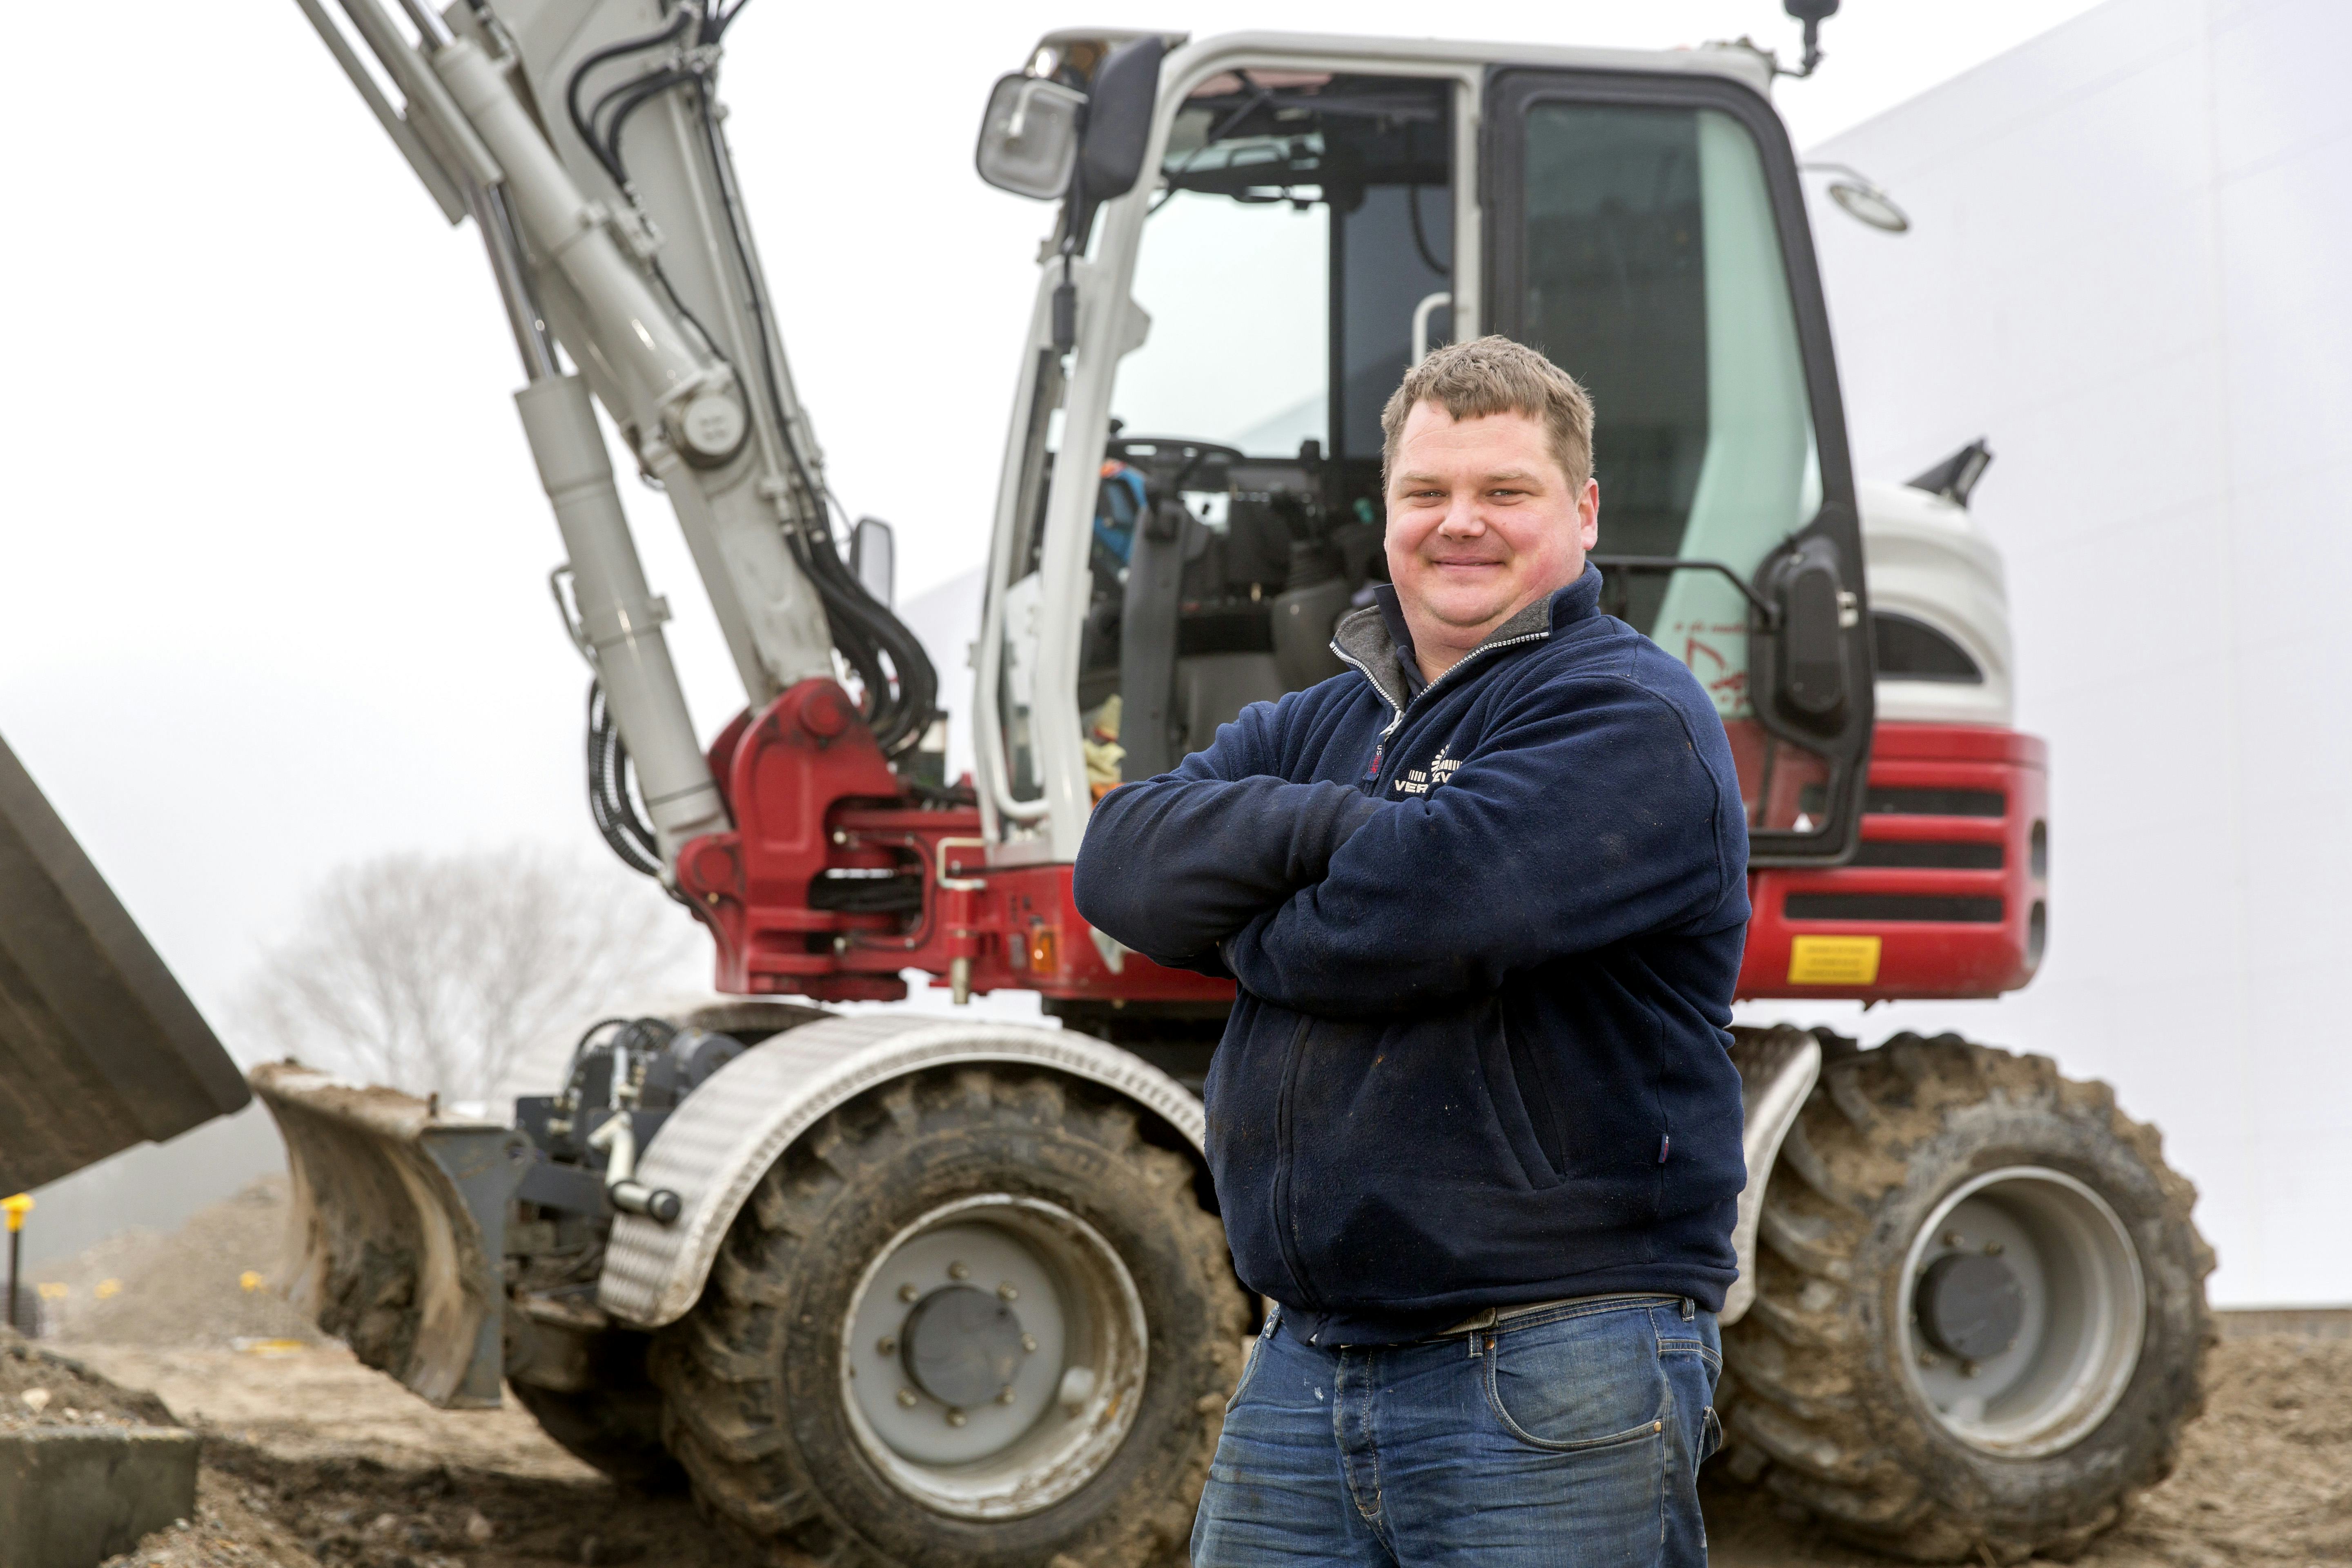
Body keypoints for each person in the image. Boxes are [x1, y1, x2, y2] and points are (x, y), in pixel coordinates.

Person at [1073, 336, 1750, 1567]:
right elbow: (1120, 861)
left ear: (1583, 511)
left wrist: (1255, 917)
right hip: (1304, 1365)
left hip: (1551, 1366)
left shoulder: (1631, 715)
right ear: (1385, 512)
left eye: (1505, 493)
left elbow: (1420, 917)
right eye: (1428, 493)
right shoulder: (1323, 716)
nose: (1461, 526)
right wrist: (1352, 826)